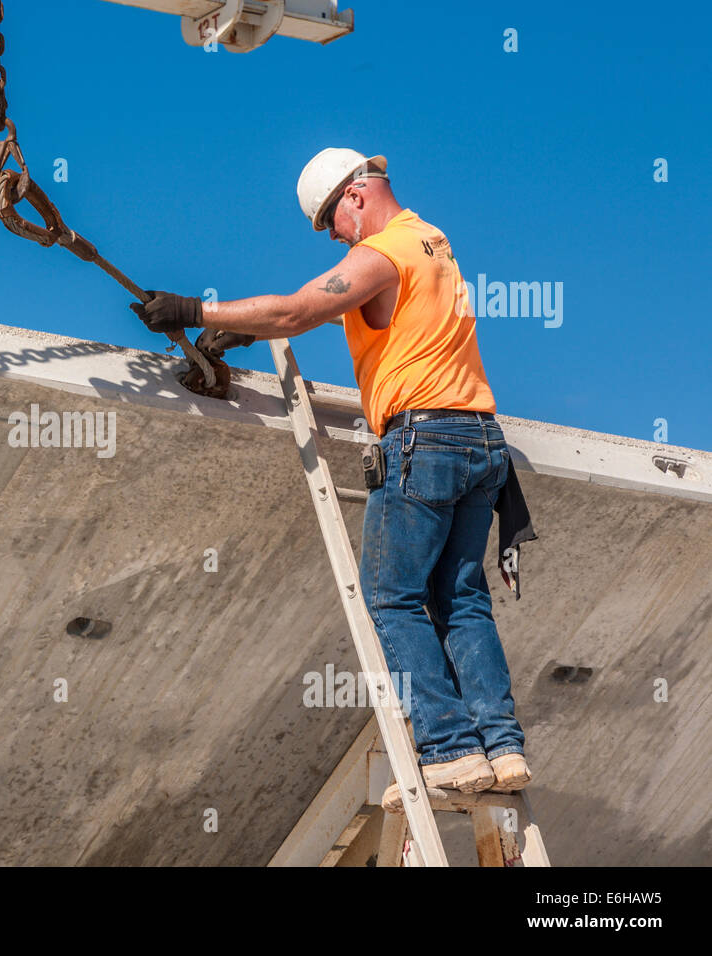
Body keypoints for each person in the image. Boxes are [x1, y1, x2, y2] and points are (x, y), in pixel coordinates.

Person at [131, 148, 531, 795]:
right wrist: (243, 331)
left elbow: (296, 311)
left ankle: (453, 749)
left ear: (355, 195)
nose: (332, 237)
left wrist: (194, 312)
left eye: (329, 222)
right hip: (481, 441)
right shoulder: (433, 242)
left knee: (393, 598)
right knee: (461, 600)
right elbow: (377, 320)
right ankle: (502, 748)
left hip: (422, 440)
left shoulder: (380, 252)